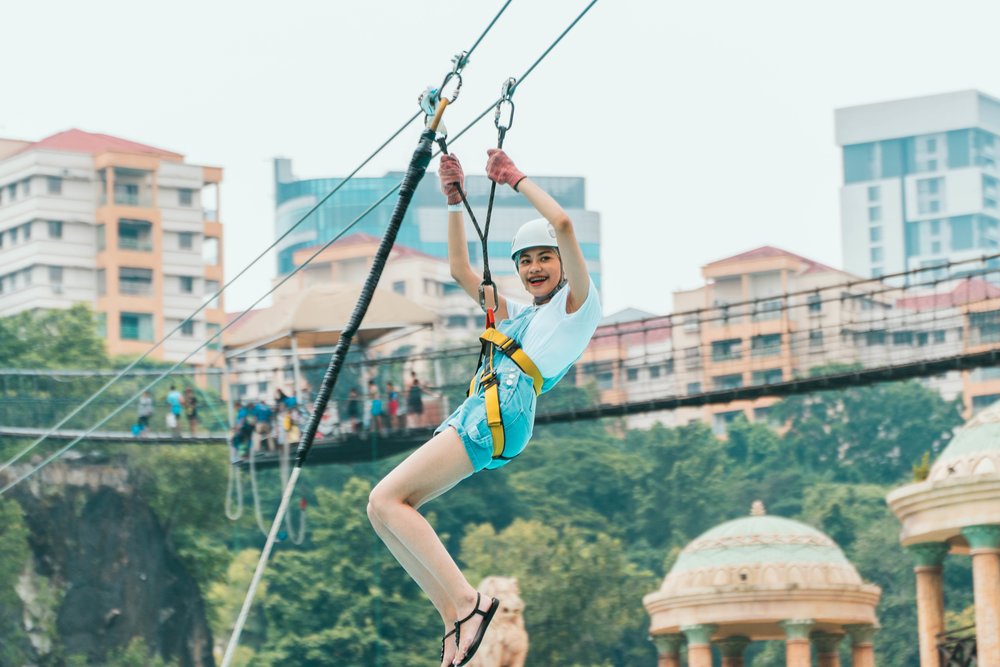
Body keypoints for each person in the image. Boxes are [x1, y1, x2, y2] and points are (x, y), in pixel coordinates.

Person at [366, 149, 601, 667]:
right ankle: (455, 616)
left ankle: (470, 603)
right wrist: (454, 201)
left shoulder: (577, 307)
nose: (534, 268)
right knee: (383, 512)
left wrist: (514, 179)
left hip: (501, 408)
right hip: (484, 407)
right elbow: (458, 270)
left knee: (387, 499)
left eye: (545, 258)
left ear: (563, 263)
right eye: (525, 261)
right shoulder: (521, 316)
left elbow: (563, 223)